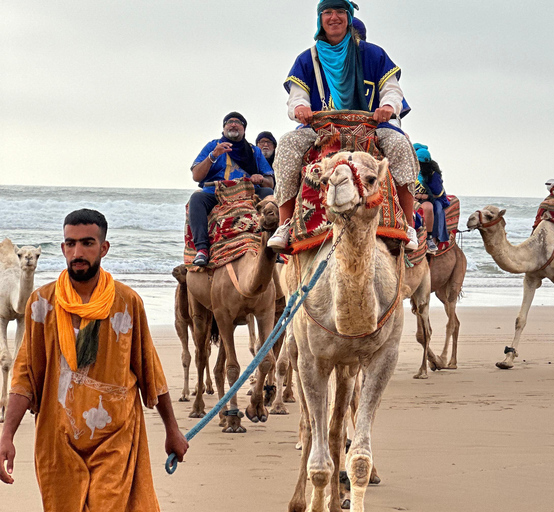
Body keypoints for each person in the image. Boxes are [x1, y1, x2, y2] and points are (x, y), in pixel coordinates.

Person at [0, 209, 188, 511]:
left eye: (87, 243)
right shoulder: (41, 305)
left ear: (104, 247)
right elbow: (24, 378)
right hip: (57, 441)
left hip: (115, 438)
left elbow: (150, 371)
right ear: (62, 249)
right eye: (70, 244)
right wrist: (6, 436)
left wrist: (173, 430)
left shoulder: (127, 303)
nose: (78, 252)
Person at [267, 0, 419, 251]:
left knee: (400, 144)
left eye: (339, 12)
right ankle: (285, 225)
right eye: (327, 12)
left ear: (348, 17)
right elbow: (296, 98)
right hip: (321, 128)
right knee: (286, 145)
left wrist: (389, 107)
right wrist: (300, 109)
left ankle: (408, 224)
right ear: (320, 19)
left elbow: (392, 90)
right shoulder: (307, 59)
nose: (333, 17)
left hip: (369, 126)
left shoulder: (373, 54)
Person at [189, 112, 275, 266]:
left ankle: (271, 243)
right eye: (229, 122)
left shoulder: (254, 151)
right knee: (196, 199)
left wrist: (261, 179)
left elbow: (270, 182)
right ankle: (202, 249)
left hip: (247, 193)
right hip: (217, 193)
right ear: (223, 128)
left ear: (244, 129)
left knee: (268, 194)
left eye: (238, 122)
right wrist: (213, 156)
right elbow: (196, 175)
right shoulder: (212, 146)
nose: (234, 124)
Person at [413, 143, 450, 254]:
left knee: (436, 209)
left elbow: (437, 193)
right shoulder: (411, 169)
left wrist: (423, 196)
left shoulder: (433, 174)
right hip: (414, 195)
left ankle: (432, 238)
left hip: (433, 197)